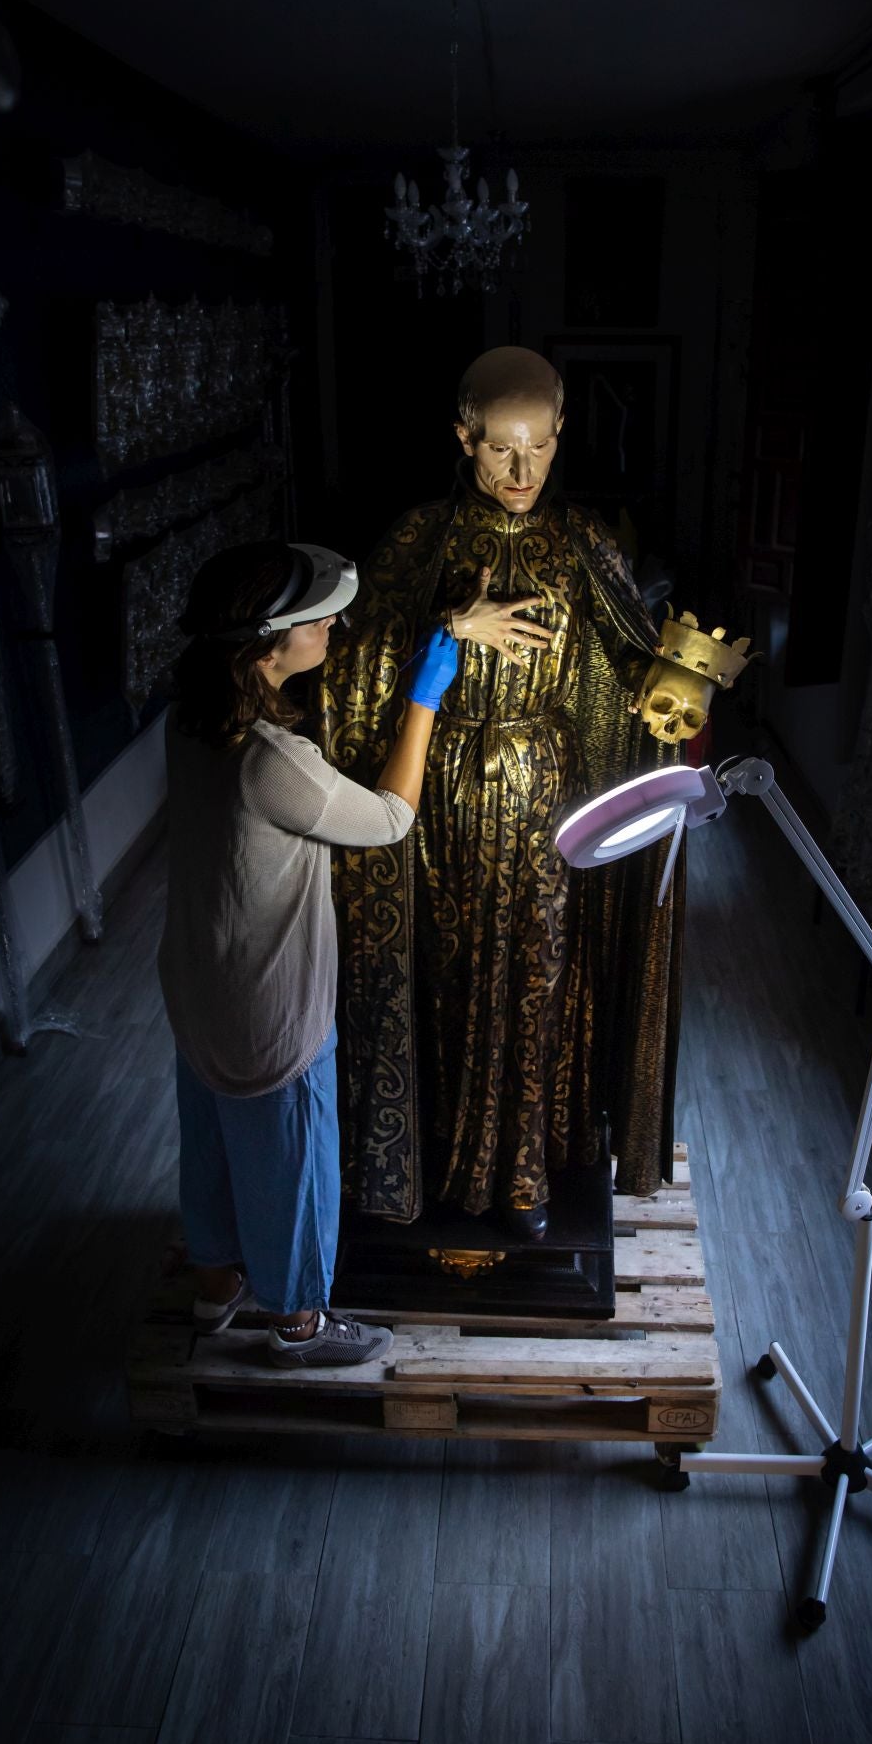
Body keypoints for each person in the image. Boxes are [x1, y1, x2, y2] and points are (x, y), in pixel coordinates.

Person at [318, 347, 683, 1243]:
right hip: (439, 792)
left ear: (560, 433)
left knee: (538, 973)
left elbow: (631, 668)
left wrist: (677, 686)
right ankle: (438, 1154)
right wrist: (448, 624)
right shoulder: (421, 539)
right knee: (444, 973)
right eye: (499, 450)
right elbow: (348, 663)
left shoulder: (583, 542)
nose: (522, 471)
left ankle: (525, 1170)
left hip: (544, 793)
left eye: (540, 447)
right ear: (463, 437)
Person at [157, 537, 458, 1364]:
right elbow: (390, 819)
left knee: (211, 1141)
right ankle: (299, 1325)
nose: (332, 628)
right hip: (266, 1004)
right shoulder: (271, 761)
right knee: (293, 1160)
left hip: (197, 980)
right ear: (264, 647)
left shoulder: (188, 718)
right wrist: (423, 702)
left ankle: (215, 1286)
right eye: (318, 620)